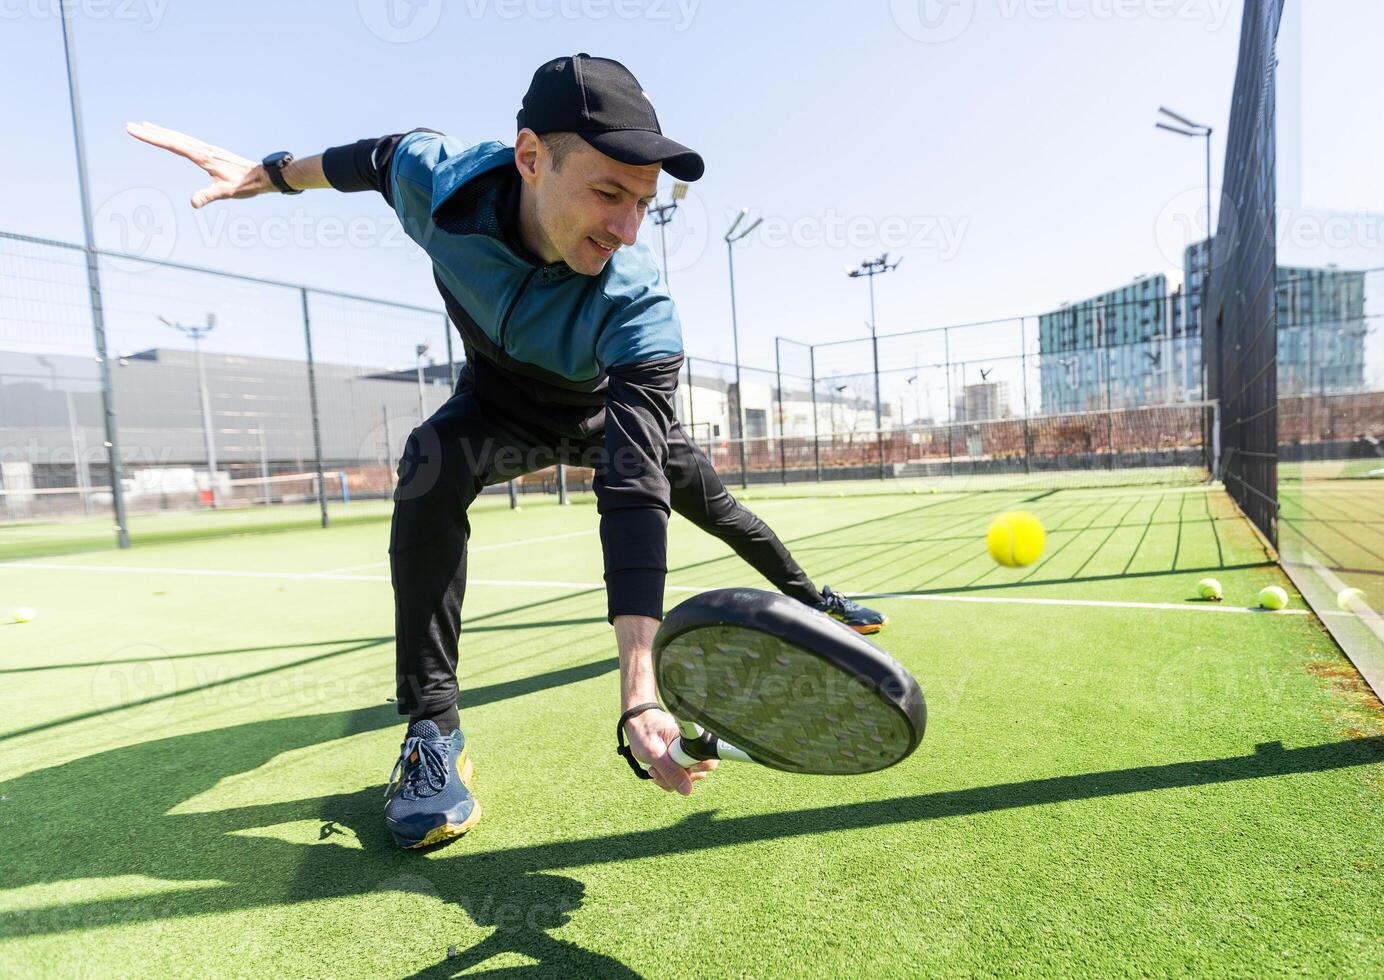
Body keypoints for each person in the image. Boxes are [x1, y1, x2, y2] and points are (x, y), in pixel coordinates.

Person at [128, 54, 888, 849]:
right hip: (498, 406)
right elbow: (369, 159)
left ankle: (814, 599)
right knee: (428, 467)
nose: (628, 228)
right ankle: (432, 731)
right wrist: (272, 174)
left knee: (719, 507)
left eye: (644, 203)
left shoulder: (639, 305)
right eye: (606, 193)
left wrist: (640, 689)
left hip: (603, 414)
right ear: (530, 158)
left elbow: (632, 491)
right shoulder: (441, 180)